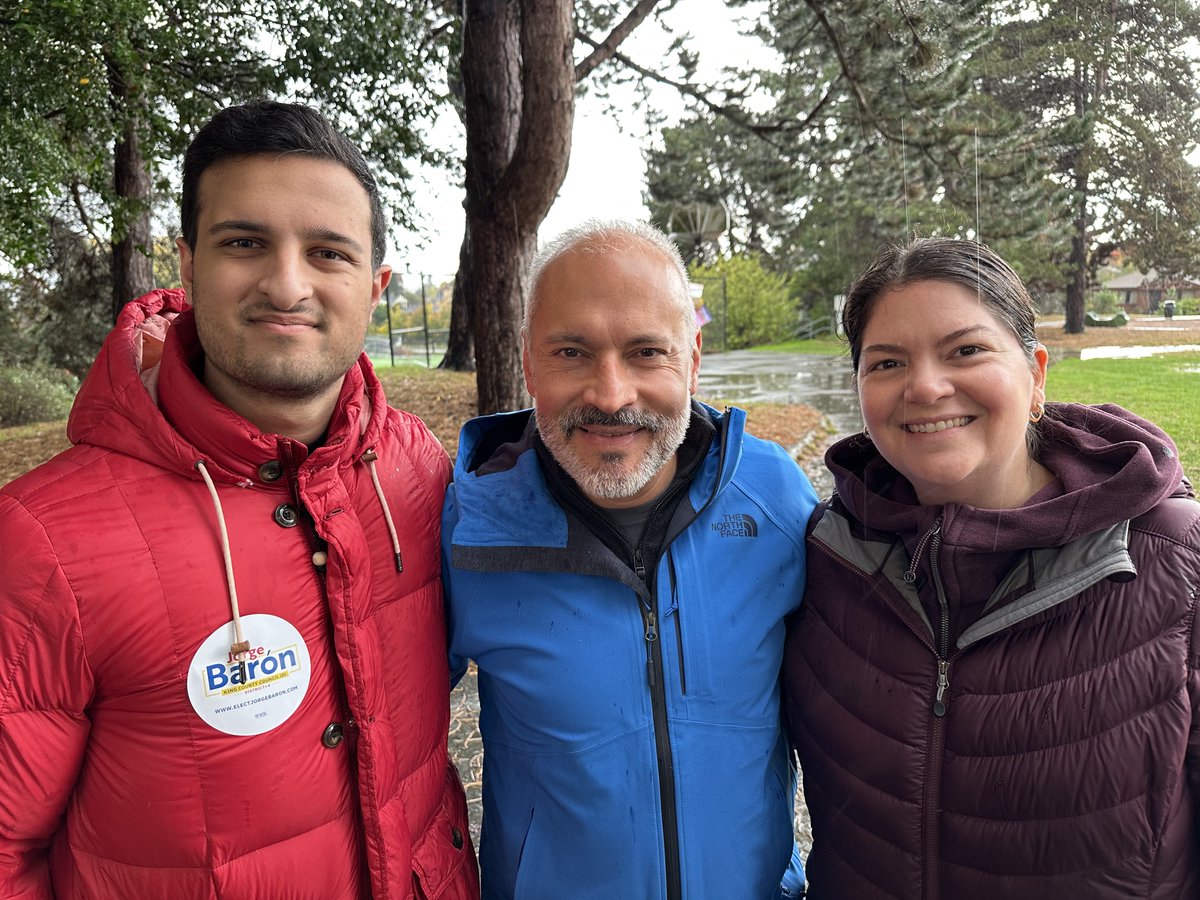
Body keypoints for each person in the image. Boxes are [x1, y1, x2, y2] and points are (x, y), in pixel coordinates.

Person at [0, 101, 479, 899]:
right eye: (245, 243)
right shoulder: (42, 544)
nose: (286, 284)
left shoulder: (417, 471)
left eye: (328, 252)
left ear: (376, 285)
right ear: (186, 265)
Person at [783, 237, 1200, 898]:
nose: (924, 386)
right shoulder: (824, 557)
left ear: (1035, 375)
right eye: (887, 361)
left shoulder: (1175, 560)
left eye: (966, 350)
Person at [442, 220, 818, 899]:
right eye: (572, 353)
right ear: (528, 360)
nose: (611, 396)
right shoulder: (468, 526)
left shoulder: (775, 498)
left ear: (693, 357)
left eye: (648, 352)